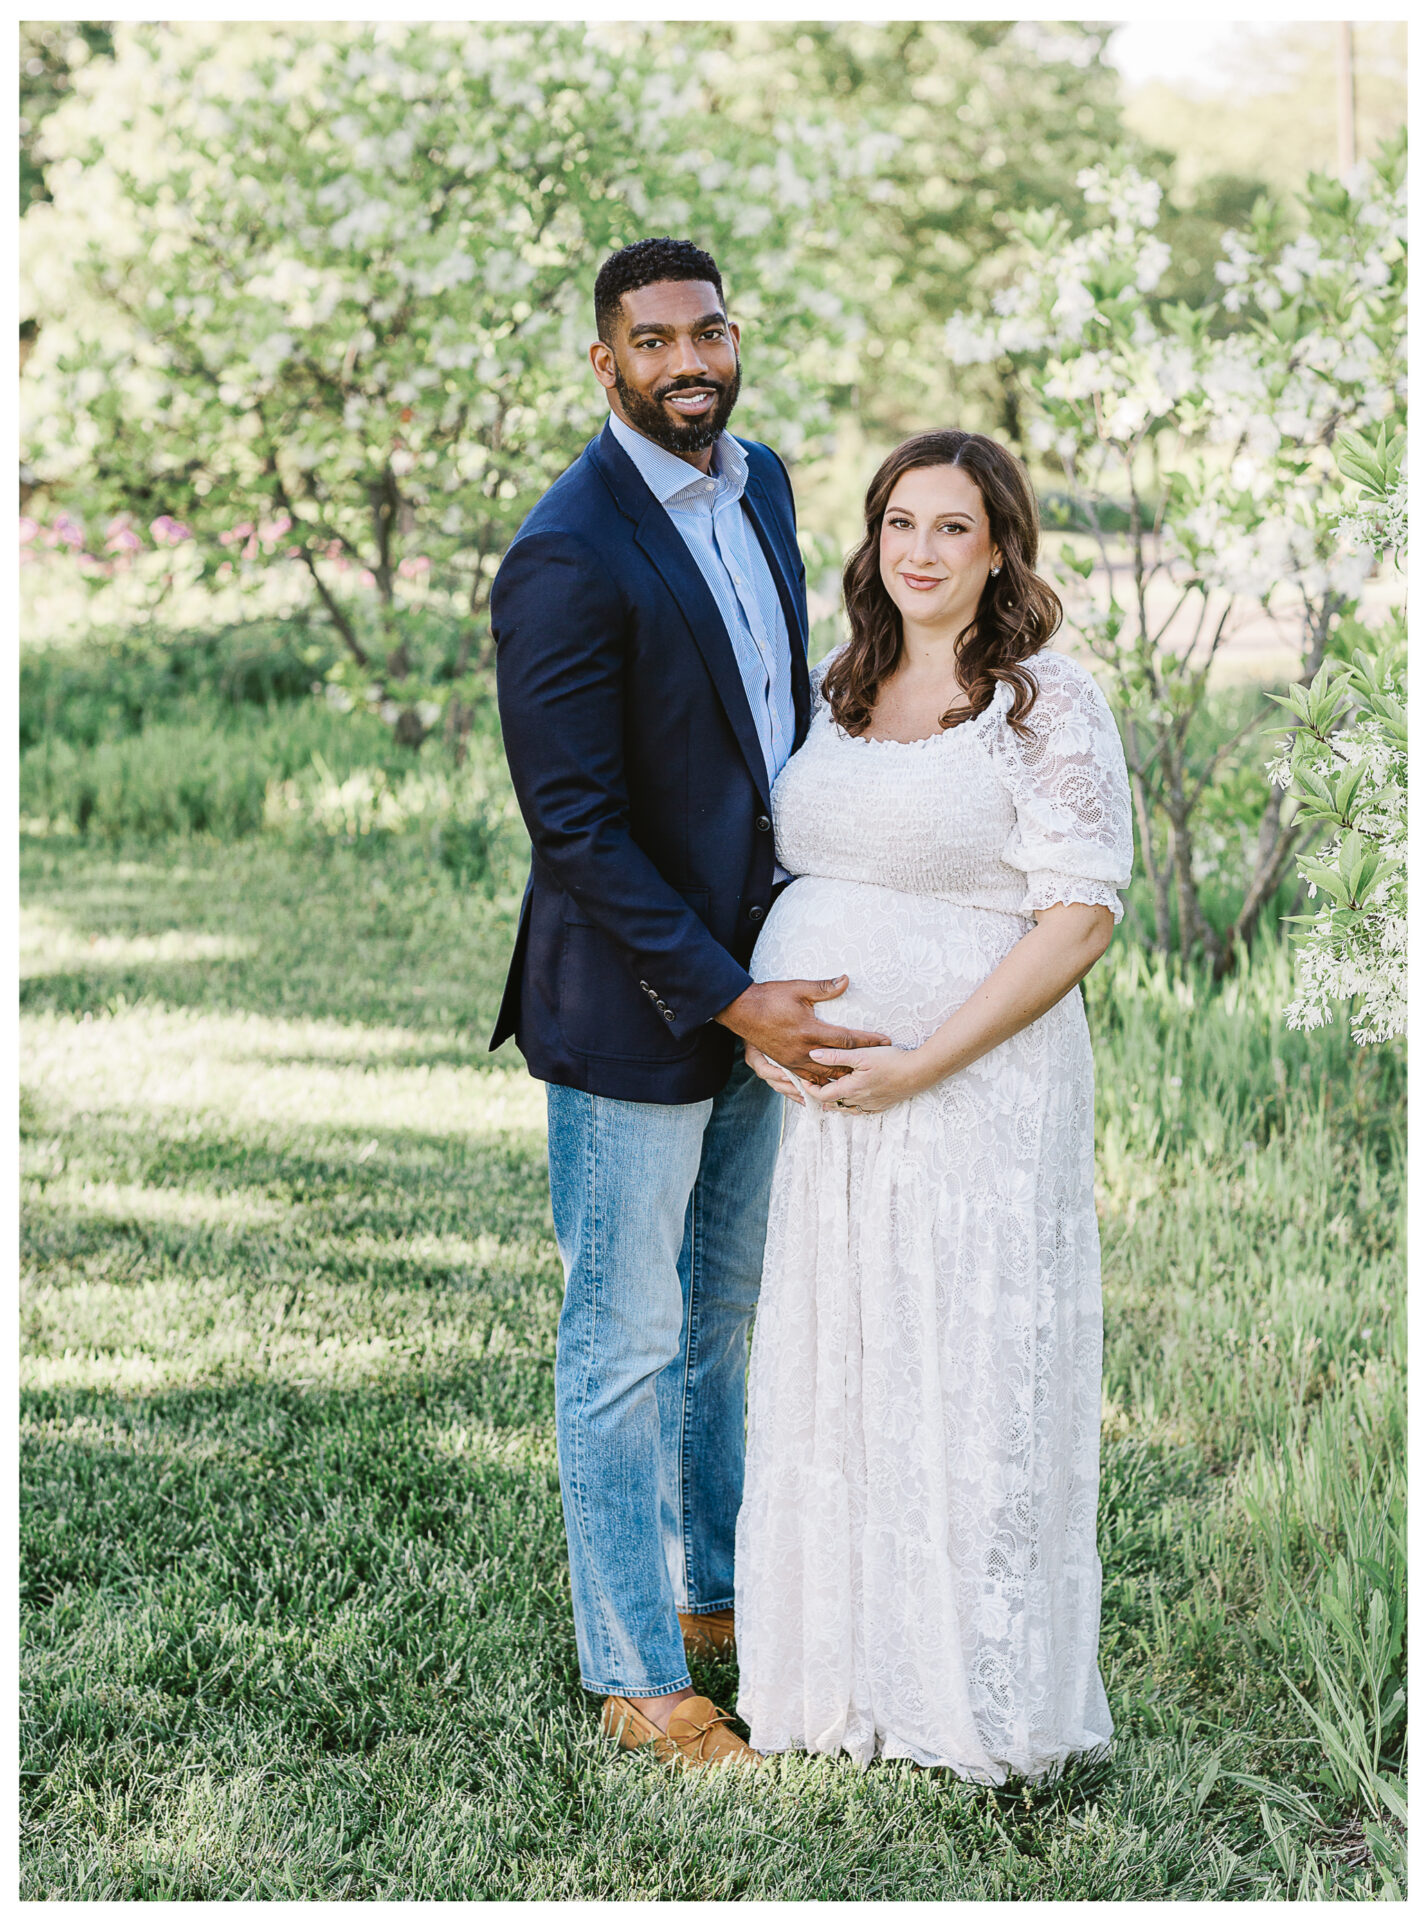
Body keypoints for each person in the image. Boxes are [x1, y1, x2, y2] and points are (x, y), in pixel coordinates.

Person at [489, 237, 888, 1770]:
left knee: (724, 1318)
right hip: (639, 1008)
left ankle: (716, 1598)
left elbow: (769, 719)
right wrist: (731, 1000)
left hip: (764, 979)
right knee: (624, 1341)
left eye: (707, 332)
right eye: (652, 342)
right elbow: (575, 829)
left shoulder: (762, 482)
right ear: (607, 365)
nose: (688, 363)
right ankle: (638, 1675)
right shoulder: (566, 553)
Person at [734, 429, 1133, 1781]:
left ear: (1001, 547)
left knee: (961, 1375)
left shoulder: (1045, 703)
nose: (921, 550)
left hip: (978, 1096)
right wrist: (762, 1015)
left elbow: (1080, 918)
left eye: (954, 527)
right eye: (901, 522)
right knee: (845, 1374)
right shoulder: (835, 684)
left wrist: (923, 1061)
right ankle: (837, 1678)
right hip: (831, 1120)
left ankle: (974, 1697)